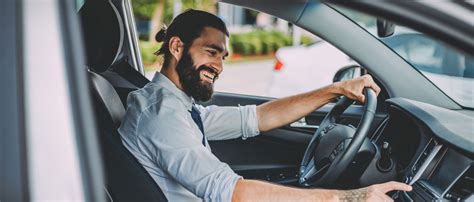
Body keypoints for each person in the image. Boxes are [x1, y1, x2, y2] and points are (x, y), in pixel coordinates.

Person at [118, 9, 412, 202]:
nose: (219, 66)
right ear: (177, 47)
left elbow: (257, 117)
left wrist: (335, 90)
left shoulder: (178, 107)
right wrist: (352, 198)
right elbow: (233, 192)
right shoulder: (161, 117)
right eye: (211, 52)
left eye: (223, 57)